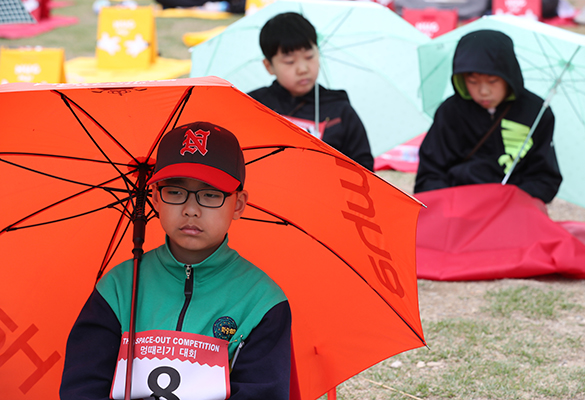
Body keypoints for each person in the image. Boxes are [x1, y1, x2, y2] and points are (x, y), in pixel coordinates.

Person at [60, 121, 291, 400]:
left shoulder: (262, 301)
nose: (191, 209)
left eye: (210, 194)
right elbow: (82, 387)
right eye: (175, 192)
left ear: (239, 204)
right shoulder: (118, 289)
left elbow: (262, 392)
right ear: (155, 198)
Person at [414, 29, 562, 204]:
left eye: (493, 81)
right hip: (458, 205)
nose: (483, 91)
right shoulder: (450, 112)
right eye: (473, 81)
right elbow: (430, 174)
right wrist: (452, 202)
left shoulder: (536, 112)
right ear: (461, 79)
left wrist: (512, 198)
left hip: (512, 205)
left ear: (509, 76)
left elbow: (545, 177)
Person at [247, 12, 375, 171]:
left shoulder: (339, 111)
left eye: (309, 56)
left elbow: (364, 168)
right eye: (289, 61)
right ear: (269, 66)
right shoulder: (253, 107)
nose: (303, 69)